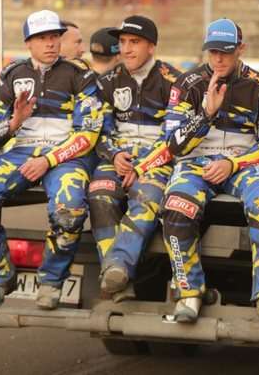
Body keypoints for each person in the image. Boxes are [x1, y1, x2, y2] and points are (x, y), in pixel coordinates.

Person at [161, 18, 259, 323]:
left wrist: (232, 164)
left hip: (244, 163)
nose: (218, 59)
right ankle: (189, 292)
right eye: (213, 51)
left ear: (241, 49)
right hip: (195, 162)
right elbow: (173, 145)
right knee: (176, 205)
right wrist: (206, 114)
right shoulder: (187, 83)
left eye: (226, 52)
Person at [0, 10, 102, 310]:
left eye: (54, 37)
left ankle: (51, 281)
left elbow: (88, 134)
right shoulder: (12, 74)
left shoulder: (80, 75)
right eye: (42, 38)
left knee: (69, 210)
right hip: (22, 152)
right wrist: (13, 123)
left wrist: (48, 160)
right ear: (28, 43)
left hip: (68, 155)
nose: (50, 43)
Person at [88, 15, 181, 303]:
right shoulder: (107, 81)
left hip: (157, 161)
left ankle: (117, 269)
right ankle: (119, 280)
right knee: (100, 194)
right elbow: (97, 131)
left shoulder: (174, 81)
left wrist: (143, 166)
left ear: (151, 47)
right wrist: (114, 155)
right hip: (118, 158)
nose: (127, 49)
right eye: (123, 42)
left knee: (146, 195)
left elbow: (175, 137)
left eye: (135, 42)